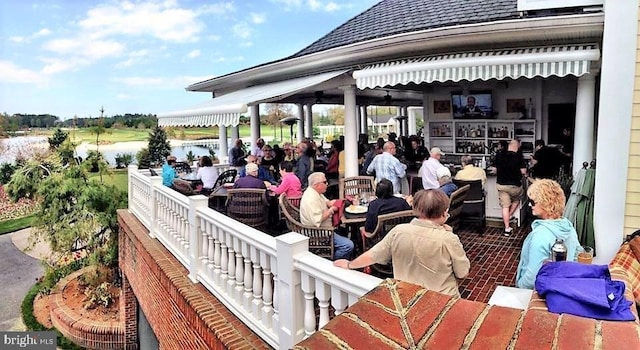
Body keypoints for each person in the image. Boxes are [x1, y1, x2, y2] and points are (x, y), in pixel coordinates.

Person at [334, 189, 470, 297]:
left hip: (407, 298)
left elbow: (373, 255)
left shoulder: (398, 231)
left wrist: (349, 264)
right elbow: (462, 272)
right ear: (443, 213)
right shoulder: (448, 239)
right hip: (442, 300)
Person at [515, 179, 581, 290]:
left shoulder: (540, 235)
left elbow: (532, 277)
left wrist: (520, 285)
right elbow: (577, 256)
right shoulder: (568, 227)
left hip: (535, 293)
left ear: (545, 203)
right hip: (558, 287)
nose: (530, 205)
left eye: (533, 201)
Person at [300, 172, 354, 260]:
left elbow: (327, 202)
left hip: (324, 227)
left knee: (344, 230)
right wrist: (331, 209)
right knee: (348, 245)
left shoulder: (316, 192)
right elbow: (318, 219)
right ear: (316, 185)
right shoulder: (311, 199)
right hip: (318, 232)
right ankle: (332, 262)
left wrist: (341, 202)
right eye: (324, 182)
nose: (327, 184)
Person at [494, 140, 527, 236]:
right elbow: (523, 171)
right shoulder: (519, 157)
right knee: (517, 200)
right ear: (516, 147)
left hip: (502, 185)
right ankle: (510, 215)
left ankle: (507, 228)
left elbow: (494, 169)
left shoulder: (499, 155)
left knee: (505, 206)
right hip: (515, 186)